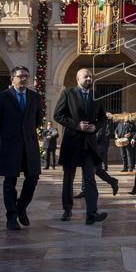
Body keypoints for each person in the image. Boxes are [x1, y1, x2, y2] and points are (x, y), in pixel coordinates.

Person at [54, 68, 110, 225]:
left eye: (90, 77)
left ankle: (92, 213)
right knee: (68, 179)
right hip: (72, 143)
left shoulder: (96, 95)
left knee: (90, 179)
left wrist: (96, 127)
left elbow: (103, 118)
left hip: (89, 144)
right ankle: (67, 209)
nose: (88, 79)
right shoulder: (68, 93)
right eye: (85, 77)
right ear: (78, 79)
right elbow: (58, 115)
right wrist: (76, 125)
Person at [0, 66, 41, 231]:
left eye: (26, 75)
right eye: (20, 76)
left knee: (33, 178)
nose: (24, 79)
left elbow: (37, 120)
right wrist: (7, 134)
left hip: (29, 145)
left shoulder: (35, 97)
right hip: (11, 145)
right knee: (10, 181)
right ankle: (11, 216)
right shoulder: (2, 97)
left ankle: (21, 207)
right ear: (12, 79)